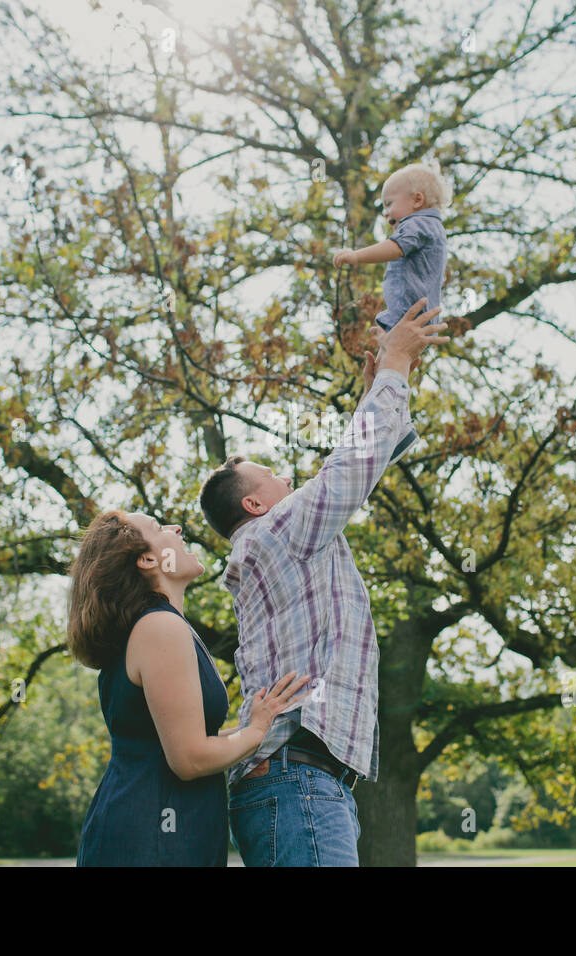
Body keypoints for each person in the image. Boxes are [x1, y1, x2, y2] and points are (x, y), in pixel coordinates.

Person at [197, 299, 448, 866]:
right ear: (257, 503)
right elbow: (348, 471)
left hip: (296, 781)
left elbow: (362, 462)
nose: (290, 478)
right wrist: (397, 363)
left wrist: (377, 391)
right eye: (275, 476)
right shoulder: (277, 534)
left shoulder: (279, 543)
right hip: (297, 780)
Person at [68, 509, 311, 866]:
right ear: (148, 559)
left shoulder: (156, 627)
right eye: (158, 526)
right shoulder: (160, 629)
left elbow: (186, 741)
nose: (176, 527)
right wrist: (256, 730)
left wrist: (260, 730)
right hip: (152, 838)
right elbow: (190, 757)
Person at [331, 161, 451, 462]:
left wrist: (355, 255)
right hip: (410, 316)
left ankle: (395, 430)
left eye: (388, 204)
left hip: (408, 316)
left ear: (417, 200)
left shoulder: (418, 224)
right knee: (390, 371)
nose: (386, 214)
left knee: (389, 369)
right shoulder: (428, 226)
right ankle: (399, 428)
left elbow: (394, 248)